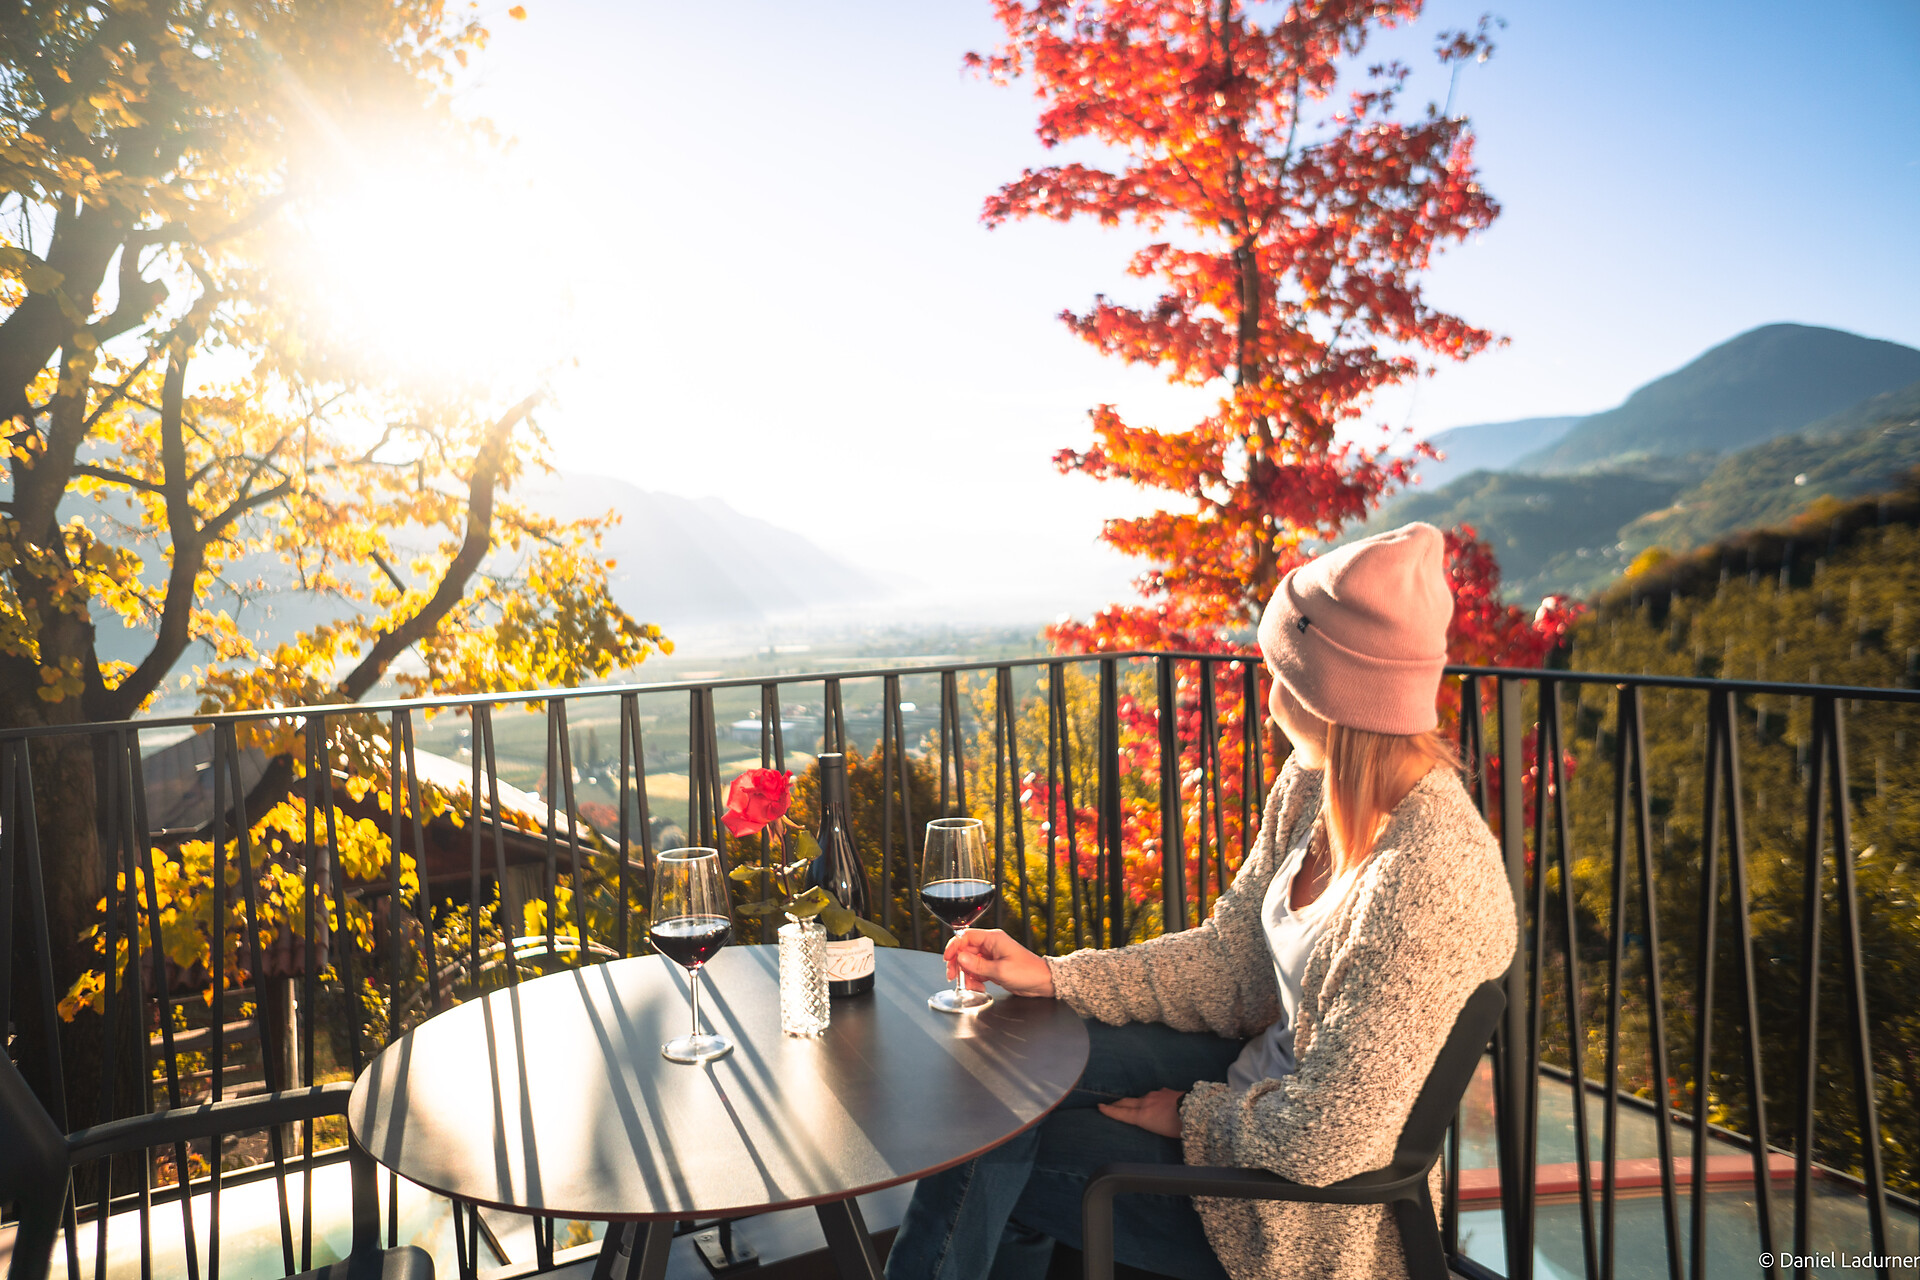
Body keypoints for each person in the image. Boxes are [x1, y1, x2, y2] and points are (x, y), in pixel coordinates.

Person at [883, 522, 1518, 1280]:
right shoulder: (1316, 785)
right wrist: (1056, 976)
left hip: (1297, 1216)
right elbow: (1231, 962)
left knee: (991, 1141)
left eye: (1280, 667)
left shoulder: (1428, 878)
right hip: (1259, 1089)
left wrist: (1193, 1118)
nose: (1266, 685)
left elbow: (1332, 1138)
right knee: (1000, 1068)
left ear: (1328, 689)